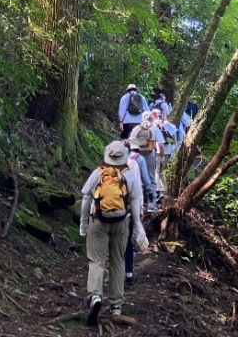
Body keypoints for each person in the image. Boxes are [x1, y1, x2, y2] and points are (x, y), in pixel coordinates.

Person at [79, 141, 148, 325]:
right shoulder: (129, 176)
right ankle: (116, 306)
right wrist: (137, 225)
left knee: (96, 261)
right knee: (118, 261)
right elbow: (134, 201)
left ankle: (95, 296)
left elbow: (86, 197)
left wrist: (84, 222)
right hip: (121, 223)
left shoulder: (98, 174)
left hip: (98, 222)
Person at [123, 139, 152, 285]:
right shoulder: (133, 163)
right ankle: (128, 274)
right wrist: (140, 210)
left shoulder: (106, 164)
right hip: (127, 209)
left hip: (109, 210)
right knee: (127, 243)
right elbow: (137, 189)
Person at [130, 111, 164, 212]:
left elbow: (130, 143)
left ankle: (136, 205)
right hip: (149, 154)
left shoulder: (136, 129)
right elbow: (161, 145)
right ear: (152, 119)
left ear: (142, 119)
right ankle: (151, 206)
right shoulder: (155, 128)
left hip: (136, 155)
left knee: (136, 178)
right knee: (151, 179)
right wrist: (161, 159)